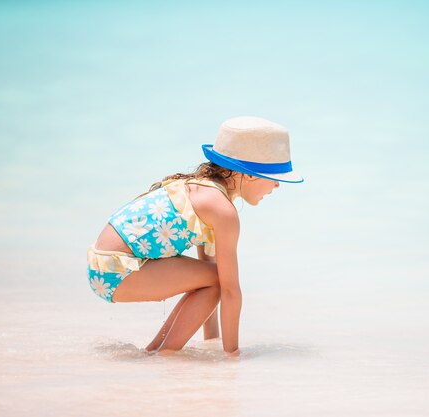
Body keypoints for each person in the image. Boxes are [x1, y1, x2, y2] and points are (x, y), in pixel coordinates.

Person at [86, 116, 303, 356]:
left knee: (212, 278)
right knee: (220, 279)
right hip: (118, 270)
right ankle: (165, 354)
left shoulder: (204, 191)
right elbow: (229, 289)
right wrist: (232, 356)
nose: (277, 187)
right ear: (250, 174)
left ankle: (154, 353)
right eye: (274, 179)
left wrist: (211, 342)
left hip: (105, 267)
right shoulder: (223, 211)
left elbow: (208, 280)